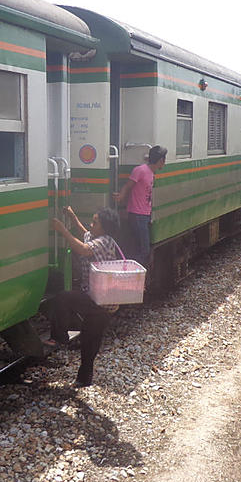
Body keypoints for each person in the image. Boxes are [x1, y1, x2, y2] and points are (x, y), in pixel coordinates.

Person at [49, 206, 122, 387]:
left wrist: (62, 230)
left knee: (63, 298)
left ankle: (59, 336)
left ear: (104, 227)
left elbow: (82, 249)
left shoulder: (105, 241)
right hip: (97, 299)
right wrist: (73, 218)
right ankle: (84, 380)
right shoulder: (97, 236)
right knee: (90, 341)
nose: (91, 224)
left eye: (95, 222)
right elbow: (84, 234)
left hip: (100, 301)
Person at [113, 145, 167, 265]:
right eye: (164, 160)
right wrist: (121, 196)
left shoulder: (151, 173)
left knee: (140, 247)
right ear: (160, 161)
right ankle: (133, 273)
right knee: (144, 250)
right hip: (137, 214)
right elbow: (128, 185)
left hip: (144, 215)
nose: (165, 163)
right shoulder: (140, 170)